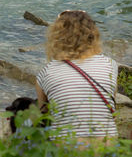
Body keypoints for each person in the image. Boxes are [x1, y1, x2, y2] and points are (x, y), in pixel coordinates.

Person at [36, 10, 118, 141]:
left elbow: (43, 117)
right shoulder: (110, 65)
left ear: (56, 37)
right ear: (93, 35)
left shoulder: (46, 72)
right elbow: (112, 112)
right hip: (106, 148)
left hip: (66, 148)